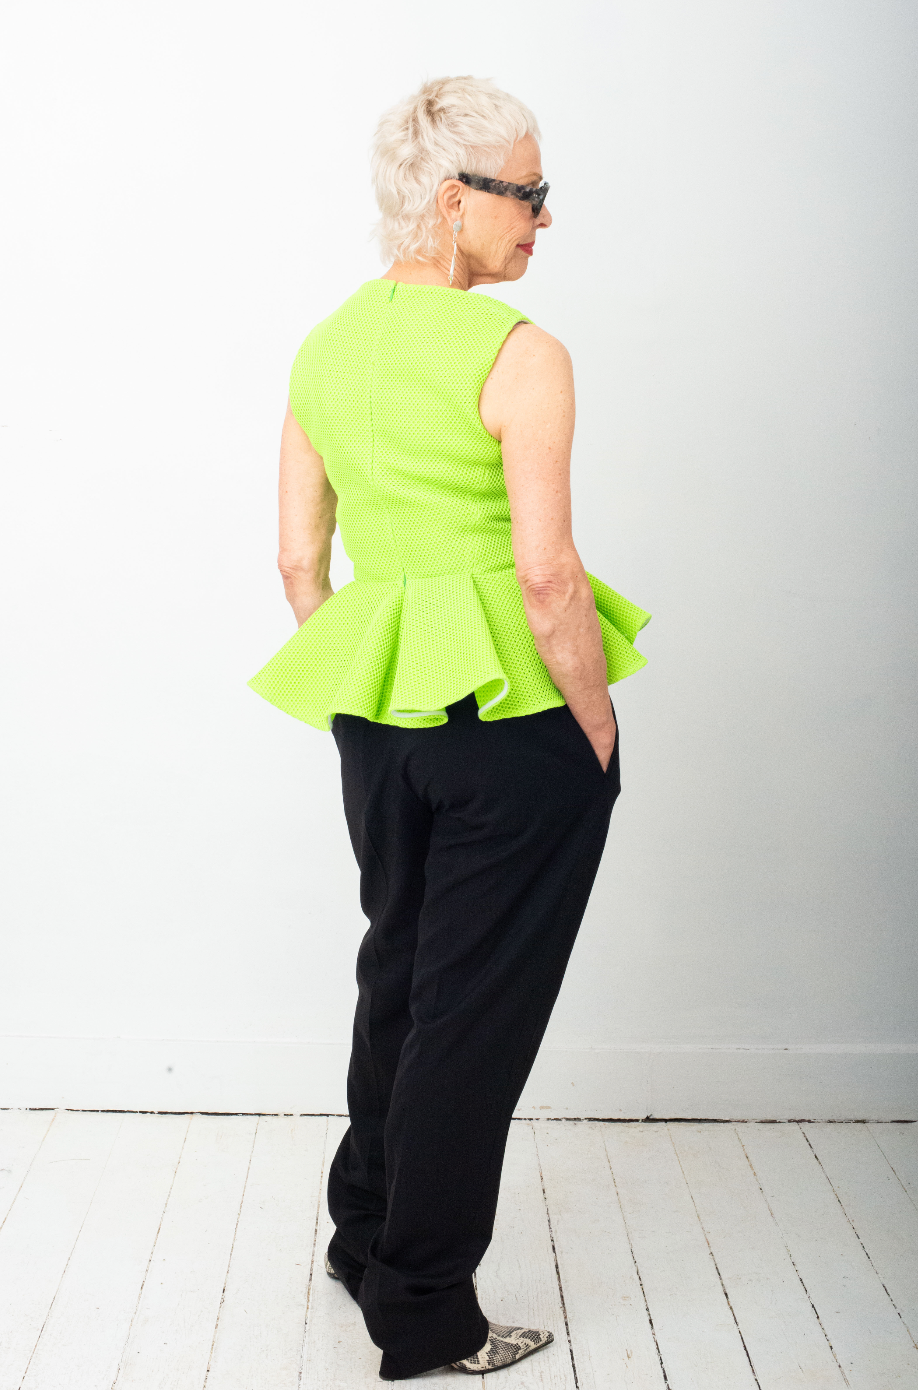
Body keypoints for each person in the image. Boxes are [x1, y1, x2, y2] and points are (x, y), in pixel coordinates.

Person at [248, 75, 650, 1381]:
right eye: (524, 193)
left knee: (400, 977)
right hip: (512, 719)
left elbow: (297, 561)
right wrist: (590, 725)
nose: (542, 218)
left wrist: (367, 699)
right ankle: (423, 1309)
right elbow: (546, 573)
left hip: (380, 714)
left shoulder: (324, 346)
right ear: (448, 198)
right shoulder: (518, 353)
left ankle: (361, 1235)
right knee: (470, 1012)